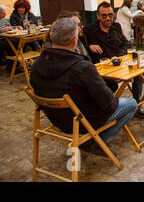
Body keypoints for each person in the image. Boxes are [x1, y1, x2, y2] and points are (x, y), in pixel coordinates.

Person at [30, 17, 137, 155]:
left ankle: (96, 140)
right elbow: (108, 103)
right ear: (75, 41)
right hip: (82, 120)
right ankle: (99, 142)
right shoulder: (81, 67)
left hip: (56, 119)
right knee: (131, 103)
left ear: (51, 36)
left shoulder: (36, 64)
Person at [84, 1, 144, 119]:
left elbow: (126, 44)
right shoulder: (89, 30)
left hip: (120, 63)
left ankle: (138, 102)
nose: (108, 18)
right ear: (98, 16)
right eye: (104, 16)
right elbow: (81, 46)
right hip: (104, 70)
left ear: (114, 15)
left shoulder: (116, 27)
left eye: (110, 15)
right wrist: (89, 46)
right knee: (138, 69)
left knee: (138, 67)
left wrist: (119, 57)